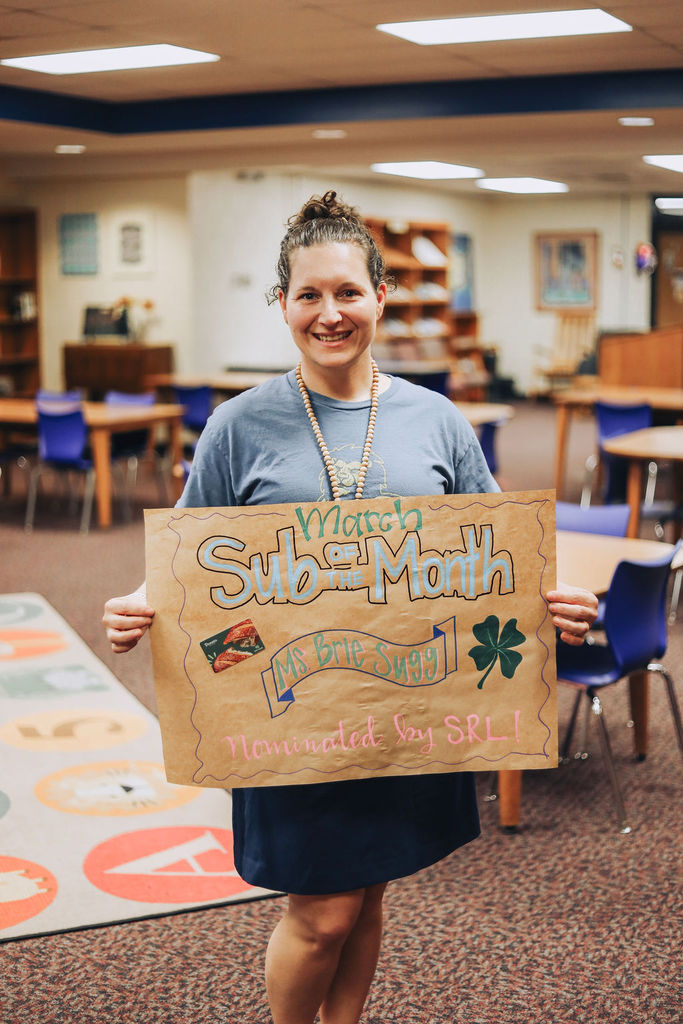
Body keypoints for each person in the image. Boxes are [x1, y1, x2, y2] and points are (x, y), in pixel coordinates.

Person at [103, 190, 598, 1024]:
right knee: (321, 910)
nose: (329, 314)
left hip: (404, 705)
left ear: (379, 296)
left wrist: (549, 599)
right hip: (285, 707)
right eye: (308, 295)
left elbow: (494, 552)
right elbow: (187, 557)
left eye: (346, 293)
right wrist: (139, 602)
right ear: (283, 303)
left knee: (367, 896)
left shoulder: (436, 420)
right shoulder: (236, 426)